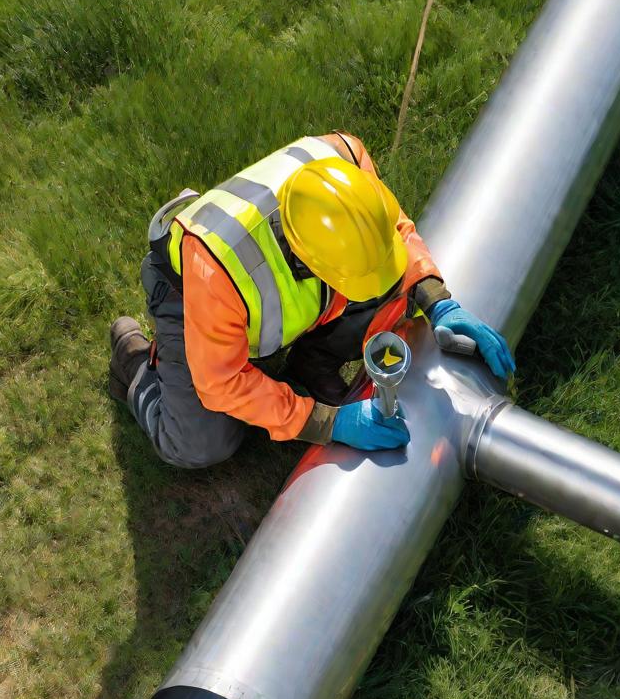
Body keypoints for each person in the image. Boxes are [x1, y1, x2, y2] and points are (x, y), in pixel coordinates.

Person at [108, 131, 515, 469]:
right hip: (190, 298)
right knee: (200, 445)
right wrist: (326, 423)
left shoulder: (344, 161)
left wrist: (437, 300)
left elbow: (391, 230)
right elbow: (222, 383)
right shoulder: (220, 269)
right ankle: (139, 365)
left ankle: (309, 366)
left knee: (392, 296)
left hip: (265, 298)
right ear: (309, 261)